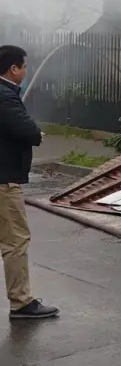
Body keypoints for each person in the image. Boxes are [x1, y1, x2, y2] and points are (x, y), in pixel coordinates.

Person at [0, 45, 58, 319]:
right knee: (15, 241)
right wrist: (37, 133)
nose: (26, 71)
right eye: (24, 66)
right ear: (13, 69)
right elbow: (24, 128)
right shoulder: (4, 96)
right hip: (4, 179)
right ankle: (21, 302)